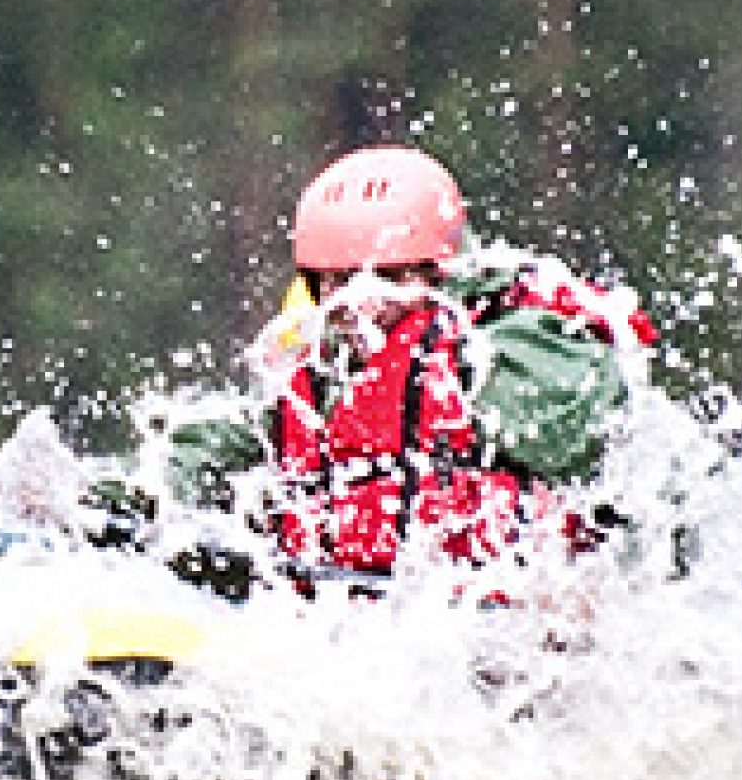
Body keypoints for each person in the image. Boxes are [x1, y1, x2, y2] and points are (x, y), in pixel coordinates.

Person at [157, 145, 654, 583]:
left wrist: (455, 387)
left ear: (440, 273)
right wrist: (137, 510)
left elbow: (593, 424)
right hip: (373, 631)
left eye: (390, 277)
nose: (362, 303)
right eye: (339, 282)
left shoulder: (513, 346)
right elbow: (212, 452)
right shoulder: (325, 376)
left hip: (518, 639)